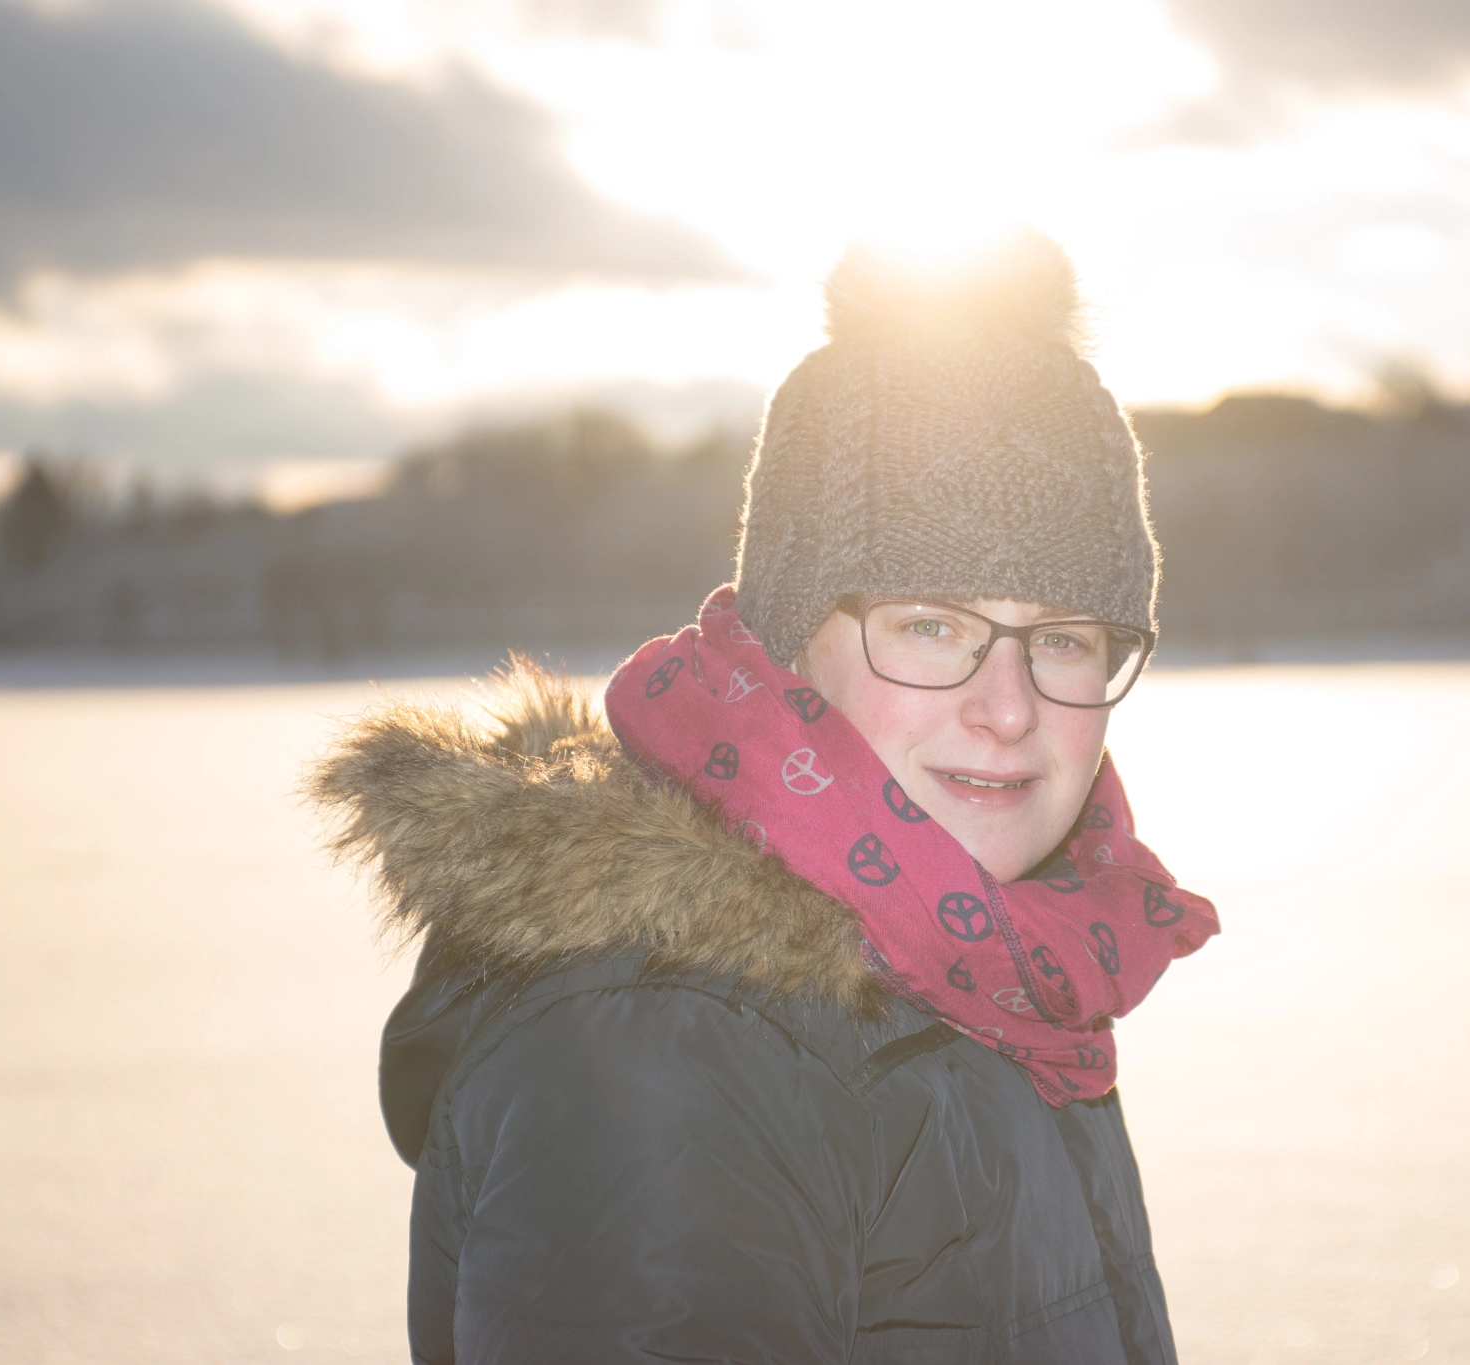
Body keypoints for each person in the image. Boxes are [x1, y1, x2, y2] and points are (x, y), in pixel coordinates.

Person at [311, 231, 1220, 1364]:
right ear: (786, 651)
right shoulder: (675, 1049)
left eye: (1065, 639)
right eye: (929, 625)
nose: (1007, 707)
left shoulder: (999, 968)